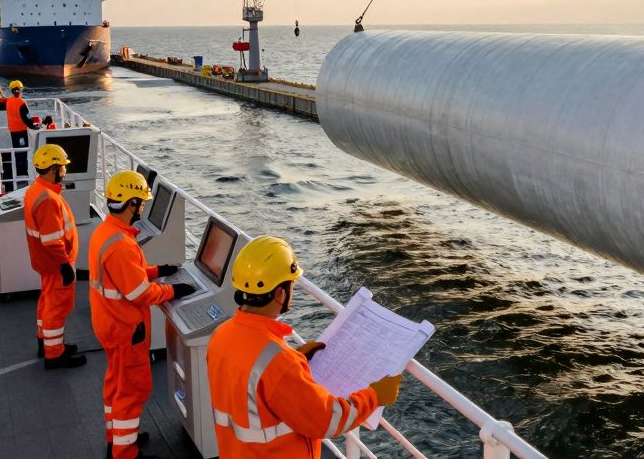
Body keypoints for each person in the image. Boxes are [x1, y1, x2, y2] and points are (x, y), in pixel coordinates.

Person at [206, 236, 402, 458]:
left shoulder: (220, 335)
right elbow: (326, 420)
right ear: (280, 293)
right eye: (291, 283)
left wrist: (293, 356)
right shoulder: (278, 363)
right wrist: (375, 396)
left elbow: (248, 385)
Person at [90, 171, 195, 458]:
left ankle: (118, 436)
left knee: (116, 382)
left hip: (108, 322)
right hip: (126, 329)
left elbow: (124, 277)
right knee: (132, 389)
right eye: (141, 203)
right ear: (131, 203)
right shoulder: (122, 245)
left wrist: (157, 271)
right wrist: (175, 291)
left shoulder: (106, 233)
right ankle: (124, 451)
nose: (143, 208)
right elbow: (139, 293)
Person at [24, 144, 87, 369]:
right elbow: (51, 239)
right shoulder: (49, 199)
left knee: (47, 302)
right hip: (55, 263)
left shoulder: (35, 191)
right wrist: (64, 265)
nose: (64, 172)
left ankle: (46, 341)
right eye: (62, 168)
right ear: (53, 169)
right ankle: (54, 353)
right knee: (56, 308)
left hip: (46, 263)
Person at [4, 80, 39, 178]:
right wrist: (33, 126)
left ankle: (18, 173)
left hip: (13, 131)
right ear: (20, 90)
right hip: (21, 131)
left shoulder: (8, 101)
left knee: (17, 152)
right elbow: (26, 118)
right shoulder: (21, 102)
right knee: (22, 153)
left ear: (11, 90)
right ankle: (22, 173)